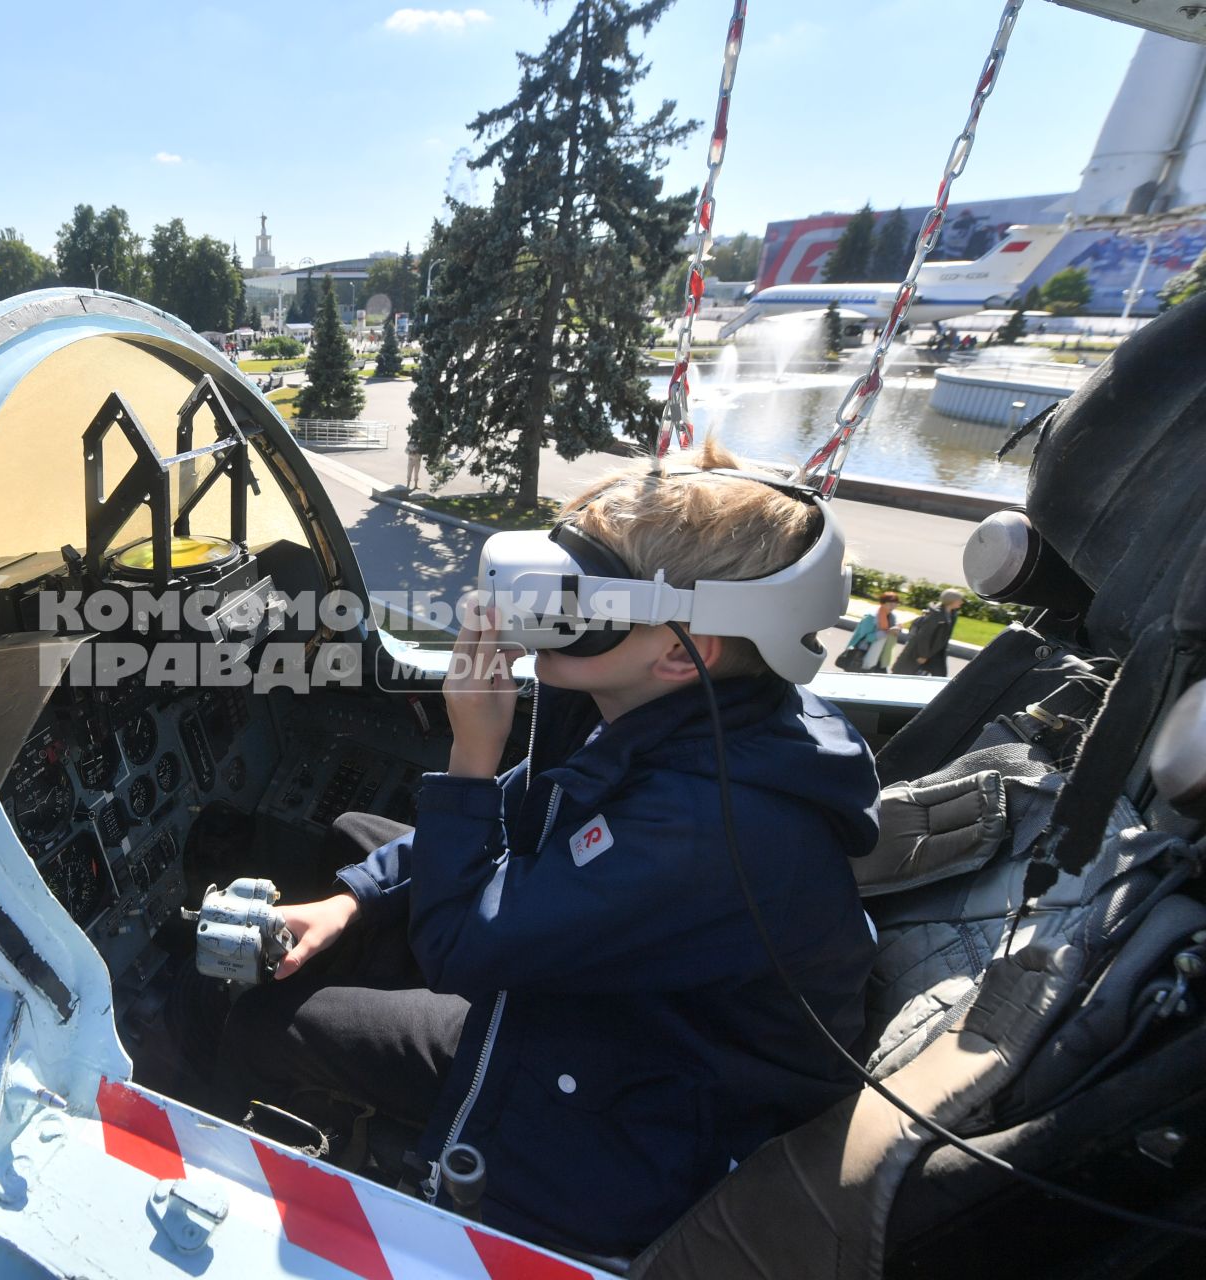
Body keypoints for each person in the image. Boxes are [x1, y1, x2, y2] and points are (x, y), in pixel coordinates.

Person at [206, 442, 879, 1256]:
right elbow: (527, 821)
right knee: (358, 846)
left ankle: (218, 1157)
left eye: (578, 597)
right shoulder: (646, 703)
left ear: (681, 652)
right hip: (624, 1000)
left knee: (265, 1025)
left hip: (641, 1091)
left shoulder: (710, 828)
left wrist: (471, 754)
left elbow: (460, 946)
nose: (538, 609)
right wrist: (350, 899)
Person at [891, 589, 965, 676]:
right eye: (959, 600)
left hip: (935, 652)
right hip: (922, 652)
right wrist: (923, 655)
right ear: (951, 601)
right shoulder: (936, 615)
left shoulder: (951, 613)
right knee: (905, 674)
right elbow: (924, 636)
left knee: (937, 677)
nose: (962, 602)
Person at [840, 591, 902, 672]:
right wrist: (887, 632)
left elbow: (893, 633)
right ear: (883, 603)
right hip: (863, 654)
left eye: (895, 604)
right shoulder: (872, 617)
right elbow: (865, 637)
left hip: (881, 656)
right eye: (890, 604)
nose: (893, 606)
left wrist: (897, 630)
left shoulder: (892, 617)